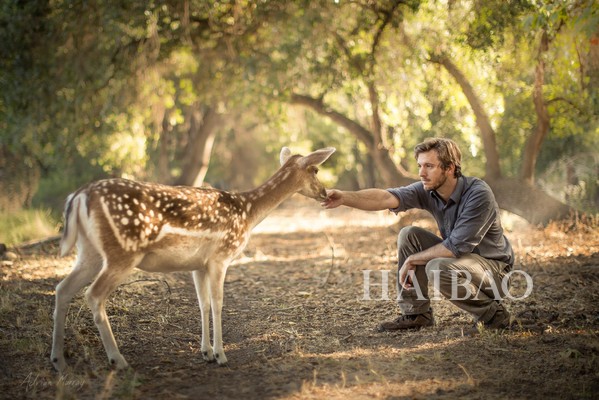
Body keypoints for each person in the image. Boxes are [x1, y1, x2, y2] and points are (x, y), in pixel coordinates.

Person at [321, 138, 514, 333]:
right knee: (409, 235)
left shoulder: (478, 194)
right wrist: (345, 197)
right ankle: (417, 314)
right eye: (420, 165)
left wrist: (413, 259)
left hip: (495, 273)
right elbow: (386, 197)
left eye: (429, 166)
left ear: (450, 168)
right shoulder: (429, 189)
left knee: (437, 266)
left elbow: (454, 247)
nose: (422, 173)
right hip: (464, 262)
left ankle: (494, 317)